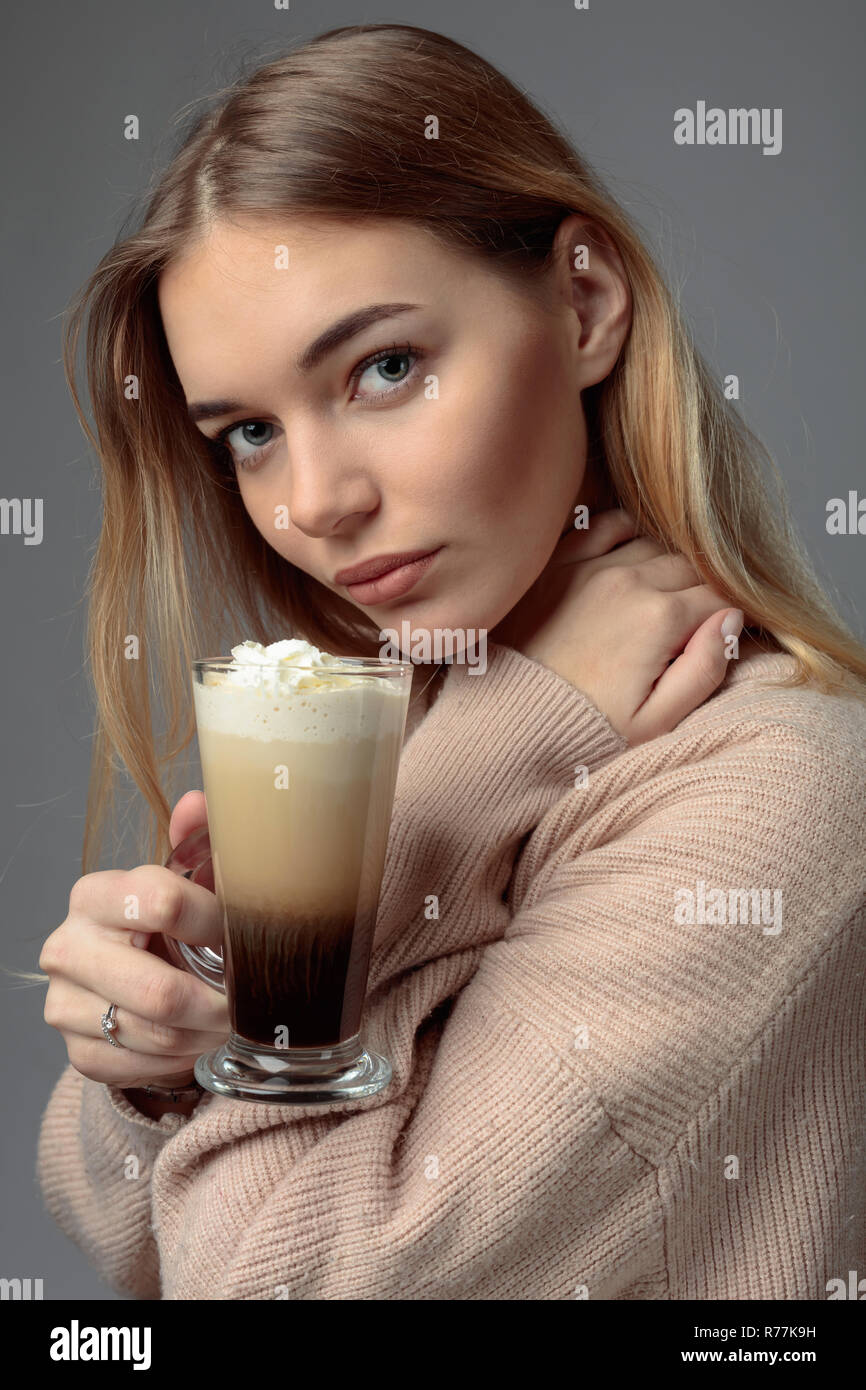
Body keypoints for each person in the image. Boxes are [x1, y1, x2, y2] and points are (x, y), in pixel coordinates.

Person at [35, 23, 866, 1299]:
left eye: (384, 367)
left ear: (583, 304)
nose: (312, 502)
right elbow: (125, 1233)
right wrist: (158, 1049)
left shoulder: (772, 792)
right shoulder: (405, 714)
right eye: (249, 431)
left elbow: (269, 1281)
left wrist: (459, 785)